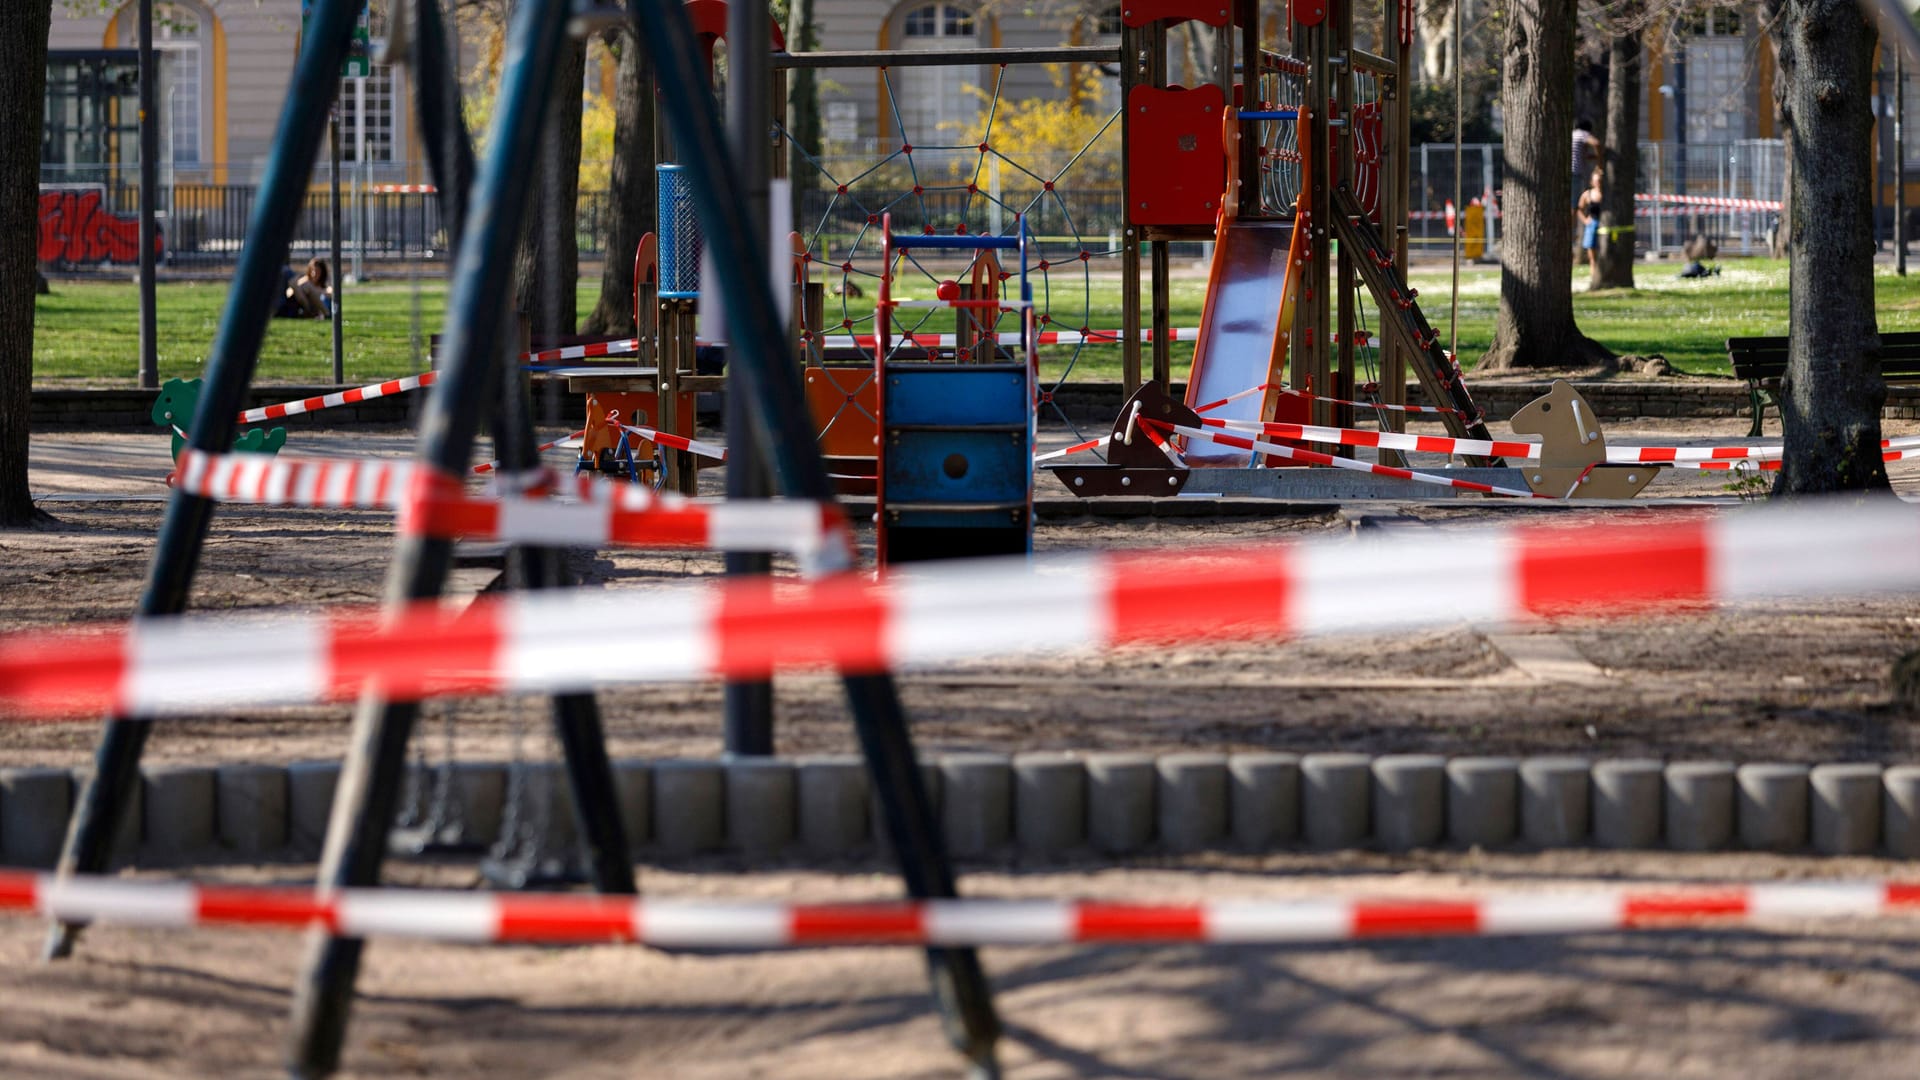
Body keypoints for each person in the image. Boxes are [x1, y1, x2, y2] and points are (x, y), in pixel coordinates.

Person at [1571, 119, 1604, 254]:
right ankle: (1571, 231)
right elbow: (1596, 143)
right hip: (1575, 173)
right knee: (1574, 204)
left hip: (1571, 172)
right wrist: (1600, 159)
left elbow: (1582, 156)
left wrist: (1592, 157)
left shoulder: (1573, 136)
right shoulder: (1581, 134)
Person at [1577, 168, 1604, 274]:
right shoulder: (1587, 194)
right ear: (1592, 182)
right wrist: (1585, 220)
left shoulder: (1607, 194)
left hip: (1603, 225)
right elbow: (1579, 209)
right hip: (1592, 224)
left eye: (1600, 181)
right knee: (1591, 251)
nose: (1598, 183)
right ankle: (1593, 274)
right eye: (1596, 181)